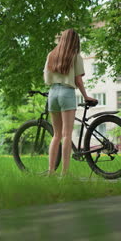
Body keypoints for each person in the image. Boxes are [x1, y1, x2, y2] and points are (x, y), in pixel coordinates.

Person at [43, 28, 97, 176]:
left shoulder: (51, 55)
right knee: (67, 135)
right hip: (67, 93)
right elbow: (78, 80)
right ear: (75, 41)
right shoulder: (75, 56)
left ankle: (50, 171)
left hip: (53, 93)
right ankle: (64, 173)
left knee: (56, 135)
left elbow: (46, 78)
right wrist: (86, 96)